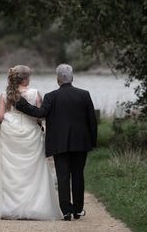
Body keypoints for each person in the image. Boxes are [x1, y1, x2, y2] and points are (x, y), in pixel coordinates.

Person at [0, 65, 61, 220]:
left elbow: (0, 116)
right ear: (25, 79)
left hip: (10, 132)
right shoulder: (34, 93)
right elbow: (39, 115)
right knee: (32, 170)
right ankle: (34, 207)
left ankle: (7, 207)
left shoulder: (4, 95)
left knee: (9, 171)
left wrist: (12, 120)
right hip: (30, 133)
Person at [15, 63, 97, 221]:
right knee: (78, 175)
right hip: (81, 143)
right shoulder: (84, 94)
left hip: (59, 143)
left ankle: (66, 211)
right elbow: (92, 121)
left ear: (58, 79)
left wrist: (22, 105)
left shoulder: (51, 96)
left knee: (63, 176)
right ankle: (78, 210)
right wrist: (92, 141)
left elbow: (41, 113)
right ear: (71, 78)